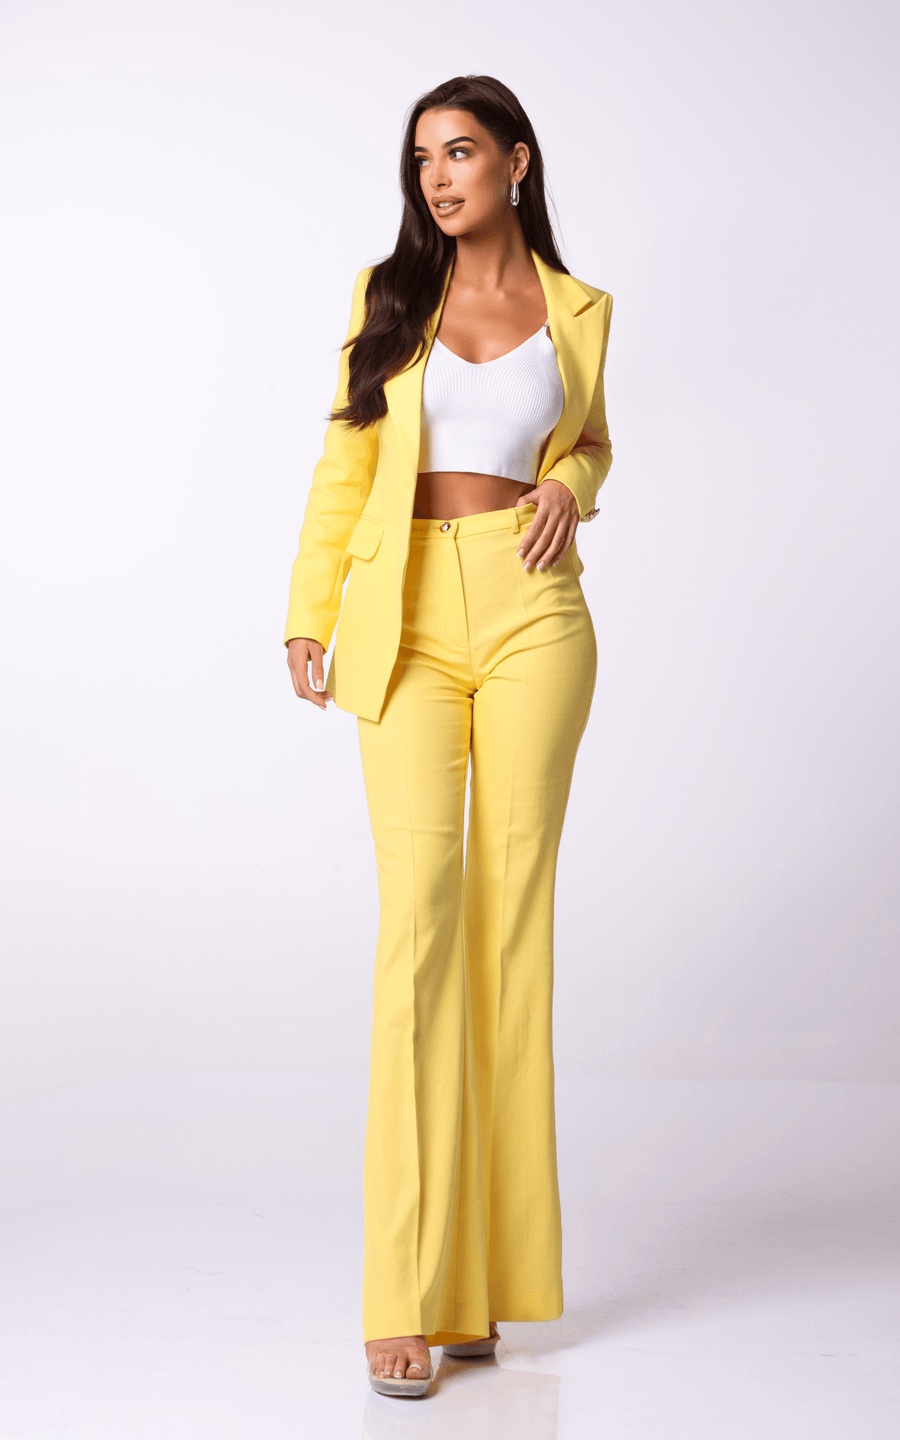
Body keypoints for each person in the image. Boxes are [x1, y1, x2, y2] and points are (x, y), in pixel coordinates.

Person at [284, 74, 613, 1399]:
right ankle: (404, 1293)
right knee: (419, 923)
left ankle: (483, 1288)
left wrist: (569, 482)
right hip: (405, 616)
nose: (438, 175)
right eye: (423, 156)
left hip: (536, 617)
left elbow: (593, 443)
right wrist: (308, 611)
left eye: (462, 151)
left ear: (516, 163)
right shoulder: (389, 296)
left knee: (509, 930)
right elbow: (344, 465)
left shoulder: (578, 308)